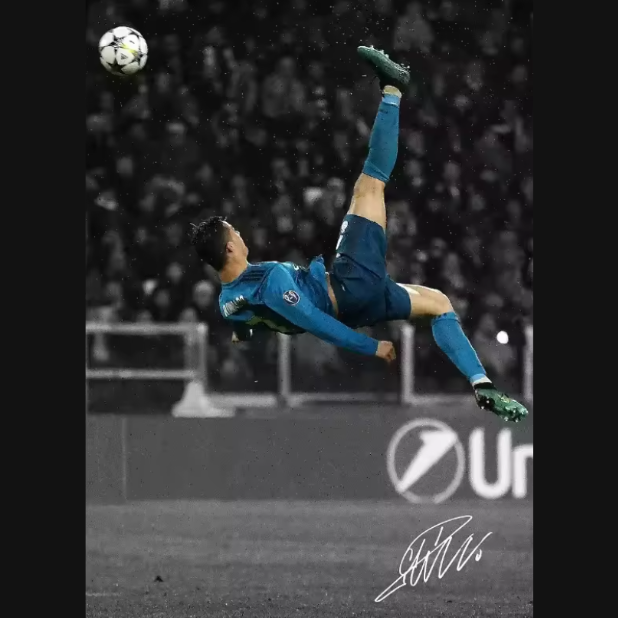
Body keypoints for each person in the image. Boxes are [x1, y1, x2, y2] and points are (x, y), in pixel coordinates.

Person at [190, 46, 528, 423]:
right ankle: (393, 88)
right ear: (231, 247)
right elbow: (315, 323)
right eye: (235, 231)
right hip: (350, 286)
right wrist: (370, 347)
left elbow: (243, 323)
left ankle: (482, 384)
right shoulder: (271, 282)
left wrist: (246, 333)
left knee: (439, 303)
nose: (240, 232)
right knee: (370, 184)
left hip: (359, 303)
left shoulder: (228, 300)